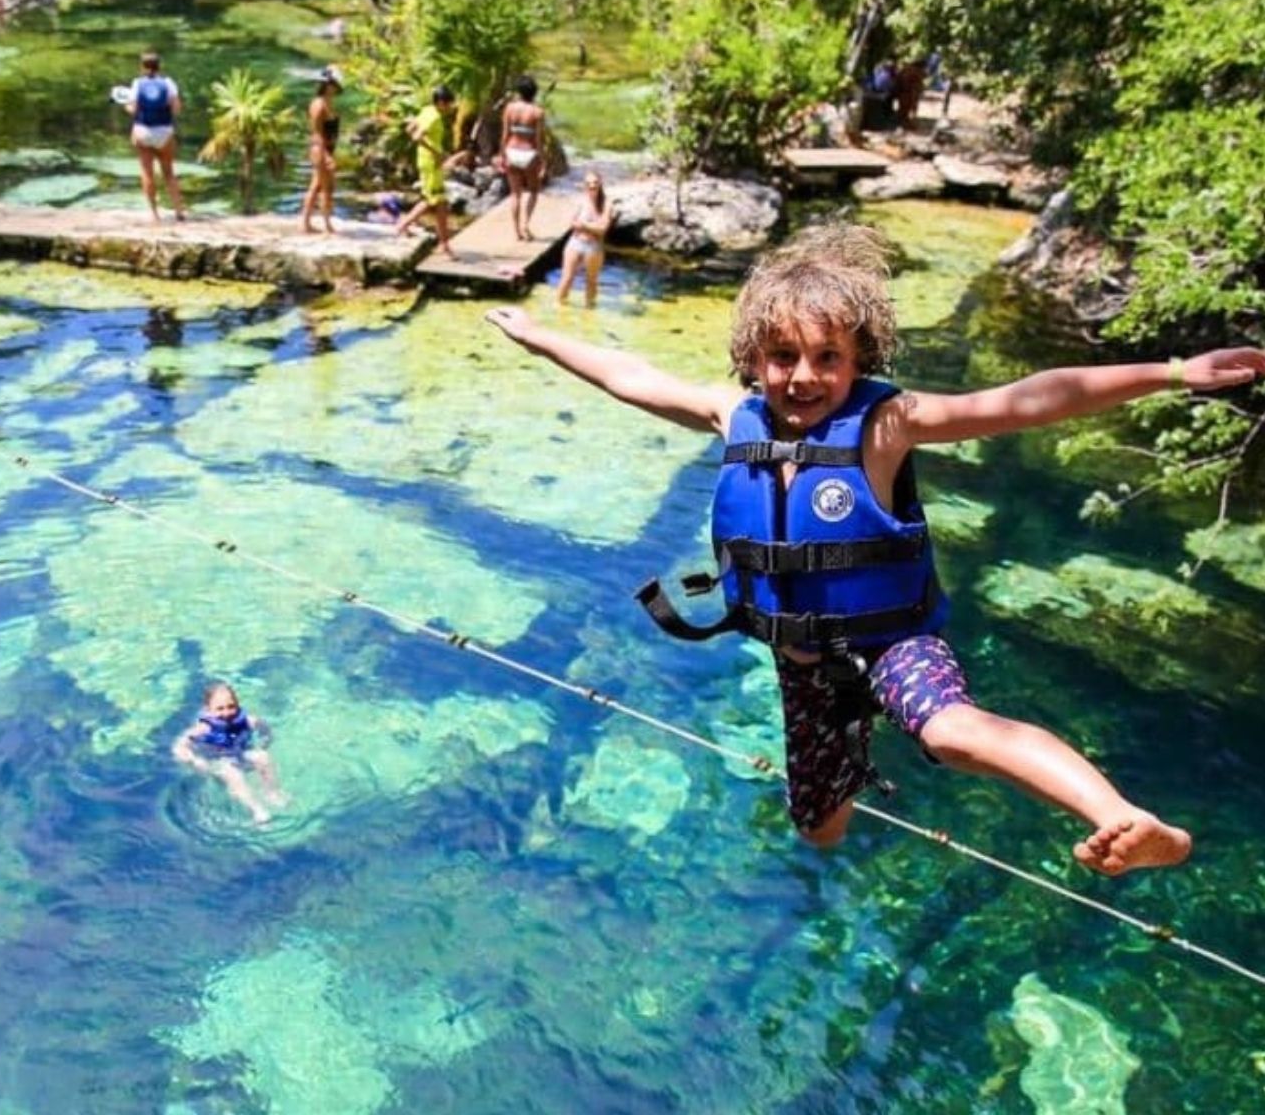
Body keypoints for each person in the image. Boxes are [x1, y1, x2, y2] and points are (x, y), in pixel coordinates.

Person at [485, 223, 1265, 875]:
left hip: (893, 646)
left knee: (951, 731)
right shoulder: (732, 414)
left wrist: (1172, 372)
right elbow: (629, 374)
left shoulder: (886, 426)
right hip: (806, 668)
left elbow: (1032, 398)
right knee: (817, 830)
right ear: (753, 356)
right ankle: (846, 790)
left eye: (828, 358)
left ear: (860, 361)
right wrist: (540, 339)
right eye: (783, 356)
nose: (803, 375)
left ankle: (1127, 819)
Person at [171, 682, 288, 826]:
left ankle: (272, 792)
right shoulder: (204, 728)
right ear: (209, 710)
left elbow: (265, 729)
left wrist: (264, 744)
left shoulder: (248, 721)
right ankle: (257, 810)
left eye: (231, 706)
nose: (226, 713)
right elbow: (179, 746)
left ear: (237, 705)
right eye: (219, 709)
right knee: (232, 773)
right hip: (216, 763)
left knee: (262, 757)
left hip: (239, 754)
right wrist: (194, 760)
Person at [394, 85, 468, 259]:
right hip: (431, 163)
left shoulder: (426, 110)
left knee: (437, 202)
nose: (451, 108)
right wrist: (437, 153)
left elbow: (409, 128)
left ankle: (443, 244)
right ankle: (405, 225)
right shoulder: (434, 116)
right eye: (449, 104)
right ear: (441, 103)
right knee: (434, 201)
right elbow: (416, 136)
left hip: (427, 162)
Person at [122, 50, 188, 226]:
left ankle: (154, 214)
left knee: (147, 172)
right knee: (169, 173)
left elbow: (133, 110)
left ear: (142, 67)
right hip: (164, 132)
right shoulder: (168, 83)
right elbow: (176, 109)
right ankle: (179, 211)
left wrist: (125, 106)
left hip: (143, 131)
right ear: (160, 66)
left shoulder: (137, 84)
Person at [555, 172, 614, 308]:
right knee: (567, 277)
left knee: (591, 281)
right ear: (585, 186)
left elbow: (603, 228)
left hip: (594, 246)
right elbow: (572, 223)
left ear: (600, 184)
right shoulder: (581, 201)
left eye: (595, 183)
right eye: (589, 184)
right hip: (576, 242)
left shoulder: (606, 204)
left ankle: (589, 309)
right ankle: (559, 305)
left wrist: (584, 225)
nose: (592, 186)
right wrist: (593, 226)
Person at [498, 75, 546, 241]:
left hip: (512, 150)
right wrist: (543, 160)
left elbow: (505, 134)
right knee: (533, 191)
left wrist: (502, 154)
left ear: (519, 92)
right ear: (534, 93)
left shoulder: (510, 108)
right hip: (529, 153)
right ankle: (526, 224)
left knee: (515, 194)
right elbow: (539, 140)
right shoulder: (537, 112)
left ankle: (517, 231)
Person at [299, 66, 343, 234]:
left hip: (327, 148)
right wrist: (326, 156)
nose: (336, 88)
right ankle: (325, 224)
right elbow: (317, 133)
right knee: (325, 187)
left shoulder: (327, 103)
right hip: (320, 149)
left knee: (318, 186)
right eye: (334, 84)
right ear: (328, 85)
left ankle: (308, 223)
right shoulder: (318, 105)